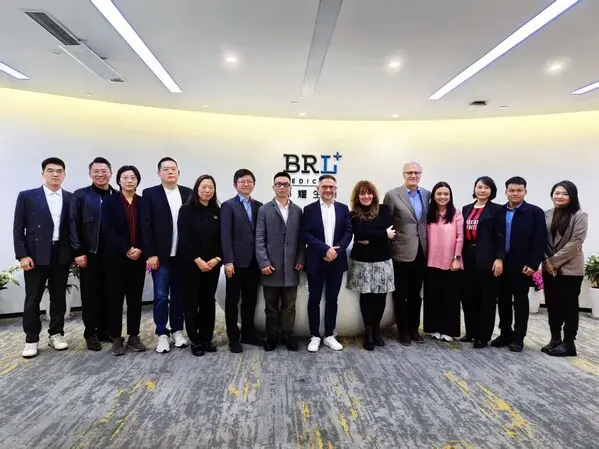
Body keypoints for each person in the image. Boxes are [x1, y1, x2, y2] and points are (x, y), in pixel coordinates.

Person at [13, 157, 73, 358]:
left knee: (58, 297)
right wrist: (23, 255)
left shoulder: (71, 198)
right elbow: (18, 228)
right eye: (50, 170)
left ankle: (56, 334)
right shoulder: (28, 196)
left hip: (61, 253)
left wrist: (74, 254)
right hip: (36, 255)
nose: (55, 174)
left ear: (64, 175)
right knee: (33, 298)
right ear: (43, 174)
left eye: (59, 171)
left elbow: (74, 229)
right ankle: (31, 339)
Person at [141, 157, 192, 353]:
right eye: (166, 169)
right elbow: (146, 226)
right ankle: (162, 333)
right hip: (160, 257)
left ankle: (177, 330)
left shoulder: (187, 193)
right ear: (159, 173)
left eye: (173, 169)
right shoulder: (150, 194)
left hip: (182, 257)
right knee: (161, 296)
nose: (170, 172)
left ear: (178, 172)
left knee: (179, 295)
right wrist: (150, 254)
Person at [493, 176, 548, 352]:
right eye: (512, 190)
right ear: (506, 192)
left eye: (519, 190)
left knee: (520, 302)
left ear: (525, 191)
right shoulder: (499, 212)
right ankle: (505, 333)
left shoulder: (535, 212)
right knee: (503, 300)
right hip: (502, 264)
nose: (515, 193)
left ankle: (518, 337)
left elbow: (540, 241)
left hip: (523, 265)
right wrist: (497, 258)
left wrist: (533, 264)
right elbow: (495, 238)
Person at [69, 157, 117, 351]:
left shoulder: (117, 195)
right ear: (90, 174)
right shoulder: (81, 195)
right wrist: (78, 251)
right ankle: (90, 333)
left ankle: (104, 330)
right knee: (90, 295)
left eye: (104, 171)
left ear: (110, 173)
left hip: (112, 255)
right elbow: (72, 223)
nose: (100, 174)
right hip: (90, 253)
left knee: (109, 294)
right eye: (96, 171)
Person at [255, 172, 305, 352]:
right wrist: (263, 262)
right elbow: (259, 239)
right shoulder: (264, 210)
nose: (282, 187)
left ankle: (287, 335)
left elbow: (301, 239)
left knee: (289, 307)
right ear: (273, 187)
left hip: (291, 267)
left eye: (285, 184)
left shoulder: (298, 210)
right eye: (278, 184)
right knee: (271, 307)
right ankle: (271, 336)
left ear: (290, 187)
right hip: (271, 267)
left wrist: (301, 258)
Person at [100, 165, 147, 356]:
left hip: (138, 258)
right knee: (115, 299)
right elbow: (107, 229)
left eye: (133, 177)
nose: (129, 180)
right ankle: (116, 338)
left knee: (135, 299)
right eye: (125, 177)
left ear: (137, 181)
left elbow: (147, 228)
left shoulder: (143, 202)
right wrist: (126, 249)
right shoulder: (109, 201)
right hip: (115, 258)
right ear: (119, 180)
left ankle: (134, 335)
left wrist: (140, 248)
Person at [304, 175, 353, 353]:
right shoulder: (309, 209)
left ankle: (329, 335)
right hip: (316, 261)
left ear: (335, 189)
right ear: (318, 188)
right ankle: (314, 336)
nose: (328, 190)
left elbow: (348, 232)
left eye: (331, 187)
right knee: (314, 299)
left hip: (336, 262)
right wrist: (325, 250)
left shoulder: (343, 208)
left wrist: (335, 251)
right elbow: (306, 234)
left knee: (332, 300)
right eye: (324, 187)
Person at [383, 161, 431, 345]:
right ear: (403, 174)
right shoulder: (392, 195)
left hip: (421, 251)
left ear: (420, 175)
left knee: (416, 295)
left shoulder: (426, 194)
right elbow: (387, 223)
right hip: (400, 252)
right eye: (410, 172)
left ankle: (414, 329)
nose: (413, 175)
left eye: (417, 172)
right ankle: (403, 331)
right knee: (400, 294)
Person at [347, 180, 395, 350]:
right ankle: (368, 332)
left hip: (382, 260)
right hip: (362, 261)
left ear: (374, 195)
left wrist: (371, 235)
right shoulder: (353, 214)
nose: (366, 196)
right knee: (366, 298)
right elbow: (360, 233)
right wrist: (382, 234)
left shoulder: (384, 210)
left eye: (369, 193)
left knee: (380, 298)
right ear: (357, 196)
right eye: (362, 194)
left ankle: (376, 330)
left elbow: (391, 231)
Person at [178, 175, 222, 357]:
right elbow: (184, 238)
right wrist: (198, 260)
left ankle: (206, 339)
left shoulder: (218, 210)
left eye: (211, 187)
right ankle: (195, 341)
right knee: (191, 302)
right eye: (204, 187)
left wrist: (217, 258)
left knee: (208, 302)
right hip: (191, 265)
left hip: (212, 265)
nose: (207, 190)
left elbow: (222, 238)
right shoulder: (186, 210)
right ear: (197, 189)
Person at [541, 181, 588, 357]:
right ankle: (555, 339)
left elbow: (576, 242)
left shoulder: (580, 216)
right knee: (552, 305)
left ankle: (569, 343)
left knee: (569, 306)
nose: (559, 196)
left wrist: (553, 262)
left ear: (572, 196)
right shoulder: (546, 214)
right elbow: (541, 240)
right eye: (557, 193)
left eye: (564, 193)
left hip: (570, 268)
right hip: (548, 267)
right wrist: (547, 261)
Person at [220, 169, 263, 353]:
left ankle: (248, 332)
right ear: (235, 184)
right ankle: (233, 337)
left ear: (254, 184)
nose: (246, 184)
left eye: (249, 181)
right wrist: (228, 261)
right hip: (236, 263)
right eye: (242, 181)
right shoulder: (228, 206)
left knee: (250, 300)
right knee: (232, 301)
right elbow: (225, 235)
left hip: (254, 262)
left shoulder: (259, 206)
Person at [461, 176, 505, 348]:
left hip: (488, 258)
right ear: (475, 189)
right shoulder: (466, 209)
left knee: (486, 298)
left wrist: (499, 258)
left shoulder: (497, 210)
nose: (482, 190)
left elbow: (501, 235)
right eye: (480, 187)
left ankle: (483, 336)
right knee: (468, 296)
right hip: (468, 255)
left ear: (491, 190)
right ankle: (470, 332)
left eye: (487, 187)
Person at [423, 182, 463, 342]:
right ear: (433, 196)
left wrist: (457, 258)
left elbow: (460, 237)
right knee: (433, 297)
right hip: (431, 261)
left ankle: (449, 330)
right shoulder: (428, 214)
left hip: (451, 262)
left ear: (450, 196)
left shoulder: (456, 213)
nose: (443, 197)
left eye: (446, 194)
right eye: (439, 194)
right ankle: (434, 328)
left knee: (450, 298)